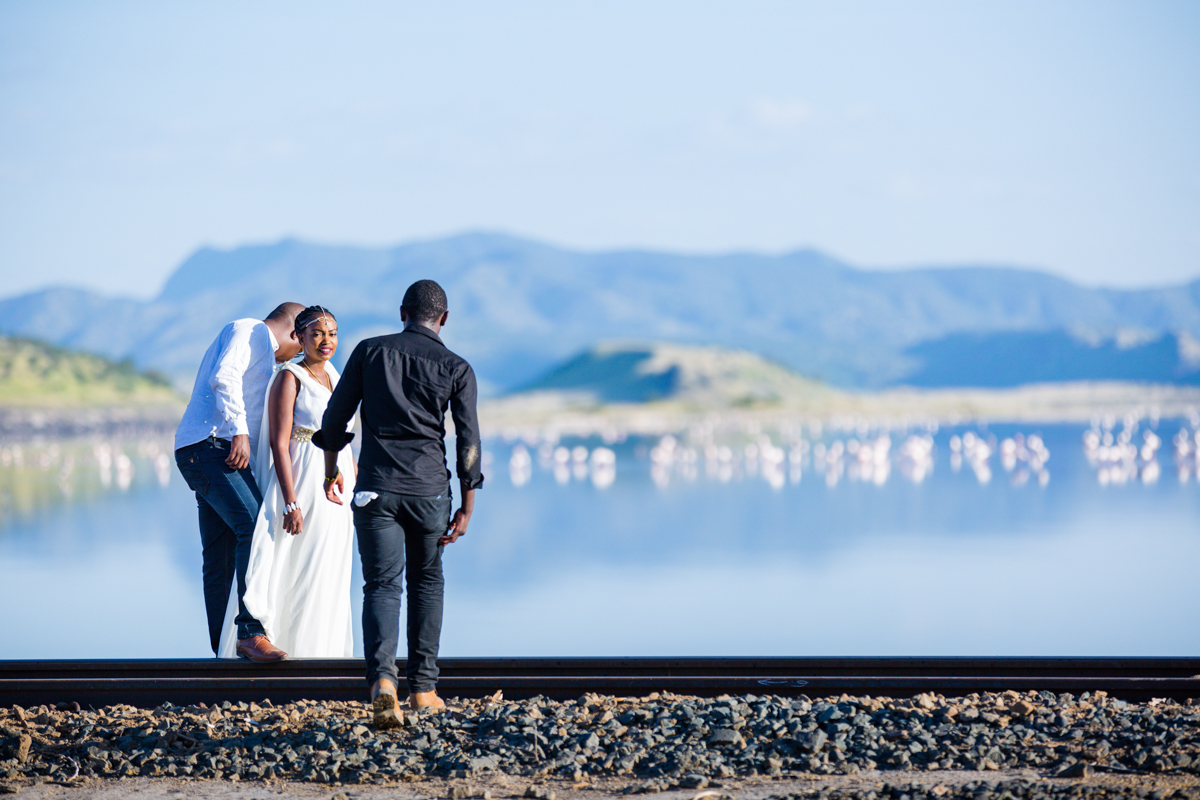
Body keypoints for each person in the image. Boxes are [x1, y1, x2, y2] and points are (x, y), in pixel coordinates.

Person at [314, 279, 483, 728]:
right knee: (426, 583)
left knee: (381, 585)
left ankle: (383, 683)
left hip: (375, 489)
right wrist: (467, 504)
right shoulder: (457, 366)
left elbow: (335, 418)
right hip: (430, 492)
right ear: (443, 319)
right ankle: (424, 690)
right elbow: (468, 442)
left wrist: (331, 466)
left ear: (402, 311)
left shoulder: (370, 351)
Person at [215, 306, 358, 659]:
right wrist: (291, 502)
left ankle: (323, 653)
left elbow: (346, 433)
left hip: (337, 480)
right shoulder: (289, 377)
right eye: (318, 334)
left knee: (329, 566)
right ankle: (290, 649)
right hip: (303, 478)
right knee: (300, 562)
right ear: (299, 337)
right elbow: (280, 442)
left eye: (333, 333)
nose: (327, 341)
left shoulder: (336, 377)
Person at [174, 302, 305, 662]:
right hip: (211, 447)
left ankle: (223, 648)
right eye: (301, 346)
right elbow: (224, 377)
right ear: (295, 334)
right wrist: (239, 431)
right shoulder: (248, 331)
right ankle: (250, 632)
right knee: (256, 526)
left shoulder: (263, 352)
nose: (293, 359)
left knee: (219, 554)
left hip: (206, 450)